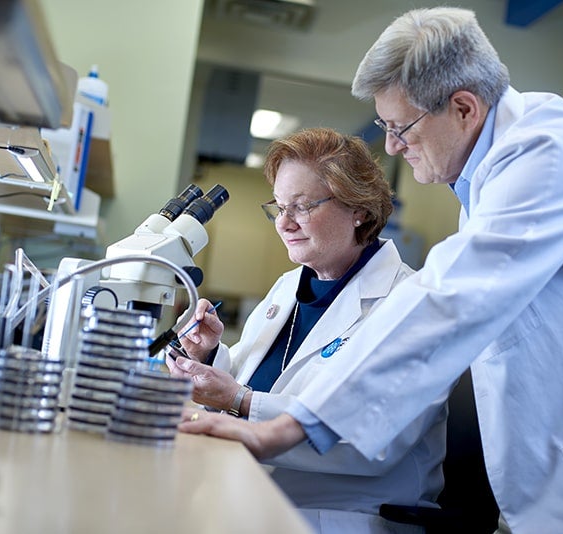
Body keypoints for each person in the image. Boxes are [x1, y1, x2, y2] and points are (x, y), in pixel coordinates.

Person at [179, 7, 563, 533]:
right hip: (561, 475)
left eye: (400, 126)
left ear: (463, 107)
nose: (391, 145)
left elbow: (448, 299)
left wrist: (291, 422)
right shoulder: (490, 179)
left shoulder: (545, 156)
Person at [168, 127, 448, 533]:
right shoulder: (290, 286)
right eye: (278, 207)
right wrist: (208, 355)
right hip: (253, 497)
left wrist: (240, 401)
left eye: (301, 206)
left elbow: (373, 440)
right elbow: (250, 385)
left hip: (342, 520)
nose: (284, 223)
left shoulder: (410, 302)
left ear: (360, 210)